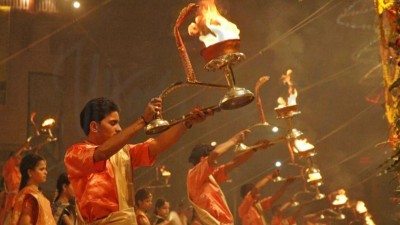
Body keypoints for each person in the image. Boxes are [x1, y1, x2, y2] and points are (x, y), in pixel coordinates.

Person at [64, 97, 211, 225]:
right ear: (94, 126)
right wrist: (143, 121)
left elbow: (157, 145)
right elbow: (101, 154)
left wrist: (186, 123)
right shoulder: (75, 153)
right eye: (113, 123)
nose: (119, 128)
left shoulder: (124, 152)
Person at [187, 129, 272, 225]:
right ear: (203, 158)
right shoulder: (194, 175)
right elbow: (215, 153)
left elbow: (235, 162)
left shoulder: (209, 175)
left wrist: (255, 147)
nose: (217, 161)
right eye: (213, 159)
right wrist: (234, 139)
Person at [10, 153, 56, 225]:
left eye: (45, 169)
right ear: (30, 172)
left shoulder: (37, 194)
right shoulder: (30, 196)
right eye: (41, 169)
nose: (46, 172)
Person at [0, 142, 30, 225]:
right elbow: (13, 157)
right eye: (18, 157)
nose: (19, 159)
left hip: (19, 198)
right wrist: (22, 147)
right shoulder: (9, 169)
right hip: (11, 200)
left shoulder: (20, 171)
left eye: (20, 158)